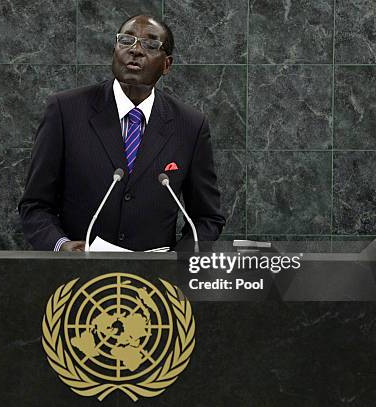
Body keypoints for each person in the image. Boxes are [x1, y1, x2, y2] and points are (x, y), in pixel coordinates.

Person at [19, 14, 225, 251]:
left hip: (155, 281)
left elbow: (207, 217)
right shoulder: (66, 111)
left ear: (166, 65)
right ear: (115, 50)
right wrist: (61, 245)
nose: (135, 50)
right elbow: (34, 205)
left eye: (150, 44)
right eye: (126, 40)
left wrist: (178, 260)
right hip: (79, 276)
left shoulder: (189, 125)